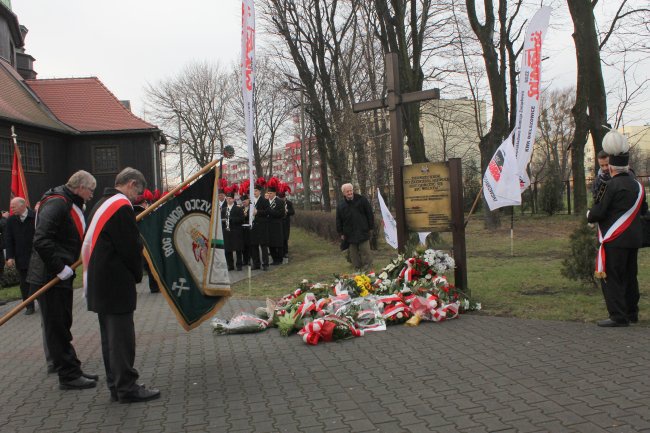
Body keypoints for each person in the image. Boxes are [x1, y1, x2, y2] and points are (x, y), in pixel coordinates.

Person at [84, 167, 160, 403]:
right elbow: (129, 247)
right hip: (115, 284)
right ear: (131, 183)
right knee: (121, 339)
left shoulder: (101, 204)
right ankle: (127, 387)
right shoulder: (120, 207)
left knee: (110, 339)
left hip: (100, 283)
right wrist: (138, 274)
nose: (138, 197)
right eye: (139, 192)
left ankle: (116, 385)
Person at [27, 170, 98, 390]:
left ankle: (71, 366)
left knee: (63, 323)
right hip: (49, 275)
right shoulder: (57, 203)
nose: (91, 195)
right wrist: (59, 268)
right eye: (90, 190)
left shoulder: (68, 201)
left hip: (59, 273)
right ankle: (68, 376)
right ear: (80, 187)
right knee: (56, 327)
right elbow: (41, 239)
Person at [587, 130, 648, 327]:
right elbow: (643, 210)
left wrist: (589, 214)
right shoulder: (638, 186)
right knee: (630, 277)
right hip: (634, 239)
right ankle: (632, 312)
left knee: (612, 277)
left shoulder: (609, 186)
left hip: (614, 239)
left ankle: (618, 316)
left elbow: (598, 212)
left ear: (611, 168)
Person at [5, 197, 36, 314]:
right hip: (21, 256)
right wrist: (10, 257)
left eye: (13, 206)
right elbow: (9, 240)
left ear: (22, 206)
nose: (11, 209)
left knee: (38, 281)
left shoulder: (35, 217)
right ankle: (29, 306)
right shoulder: (11, 220)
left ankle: (43, 302)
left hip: (36, 256)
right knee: (24, 283)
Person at [336, 183, 374, 272]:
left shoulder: (362, 200)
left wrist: (370, 227)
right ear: (344, 193)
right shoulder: (341, 205)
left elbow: (369, 214)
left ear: (353, 190)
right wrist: (341, 232)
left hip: (363, 231)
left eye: (350, 190)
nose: (349, 193)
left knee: (365, 251)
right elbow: (338, 220)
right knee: (354, 254)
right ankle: (357, 269)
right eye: (347, 191)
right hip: (349, 233)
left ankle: (368, 268)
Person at [222, 184, 245, 271]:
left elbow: (241, 219)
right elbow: (221, 220)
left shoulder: (238, 209)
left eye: (230, 198)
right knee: (228, 250)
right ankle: (230, 265)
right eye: (227, 199)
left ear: (233, 199)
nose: (228, 200)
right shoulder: (223, 210)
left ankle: (239, 265)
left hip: (236, 231)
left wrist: (231, 219)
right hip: (227, 231)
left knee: (238, 249)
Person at [250, 177, 270, 270]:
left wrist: (258, 212)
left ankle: (265, 264)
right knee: (254, 246)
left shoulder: (264, 201)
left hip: (262, 226)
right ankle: (256, 264)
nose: (255, 192)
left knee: (263, 246)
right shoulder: (251, 202)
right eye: (253, 191)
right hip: (253, 227)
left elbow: (267, 212)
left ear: (260, 192)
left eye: (256, 191)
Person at [265, 177, 286, 265]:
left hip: (277, 225)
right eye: (268, 193)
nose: (269, 195)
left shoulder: (279, 202)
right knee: (271, 243)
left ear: (274, 193)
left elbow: (280, 214)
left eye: (270, 193)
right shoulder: (266, 202)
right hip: (268, 225)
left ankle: (279, 259)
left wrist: (269, 210)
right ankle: (274, 259)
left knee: (278, 243)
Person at [278, 182, 295, 259]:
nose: (282, 200)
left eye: (283, 198)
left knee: (286, 238)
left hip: (286, 222)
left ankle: (286, 252)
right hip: (279, 222)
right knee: (280, 237)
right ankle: (280, 252)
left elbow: (292, 212)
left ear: (285, 198)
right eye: (280, 198)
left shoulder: (289, 203)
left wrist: (287, 211)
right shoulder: (278, 203)